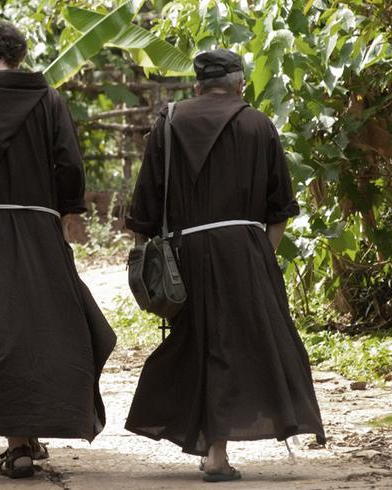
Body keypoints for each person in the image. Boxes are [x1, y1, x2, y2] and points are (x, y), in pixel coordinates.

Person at [0, 21, 117, 479]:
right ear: (20, 52)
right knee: (41, 332)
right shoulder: (48, 98)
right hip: (35, 227)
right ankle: (24, 437)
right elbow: (69, 162)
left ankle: (21, 442)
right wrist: (67, 214)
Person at [124, 48, 326, 482]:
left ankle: (214, 450)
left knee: (201, 344)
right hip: (247, 250)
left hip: (187, 253)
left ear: (196, 85)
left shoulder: (169, 122)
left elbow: (144, 207)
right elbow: (280, 210)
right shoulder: (258, 124)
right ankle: (216, 455)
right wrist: (258, 256)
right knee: (243, 347)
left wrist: (154, 261)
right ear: (239, 84)